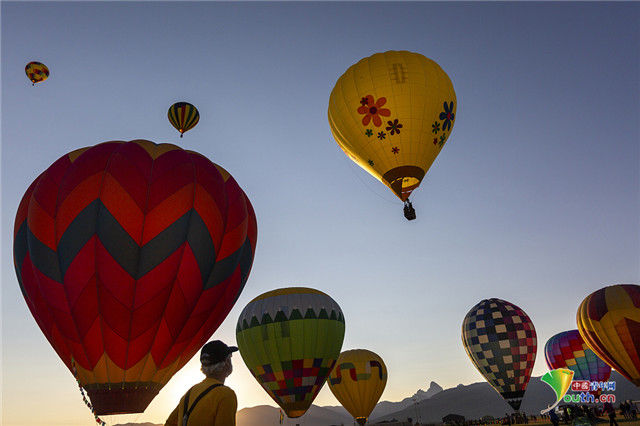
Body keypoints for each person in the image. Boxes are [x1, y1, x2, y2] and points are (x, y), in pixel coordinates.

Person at [165, 340, 239, 426]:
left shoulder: (189, 393)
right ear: (226, 363)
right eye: (230, 358)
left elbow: (169, 423)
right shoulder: (225, 395)